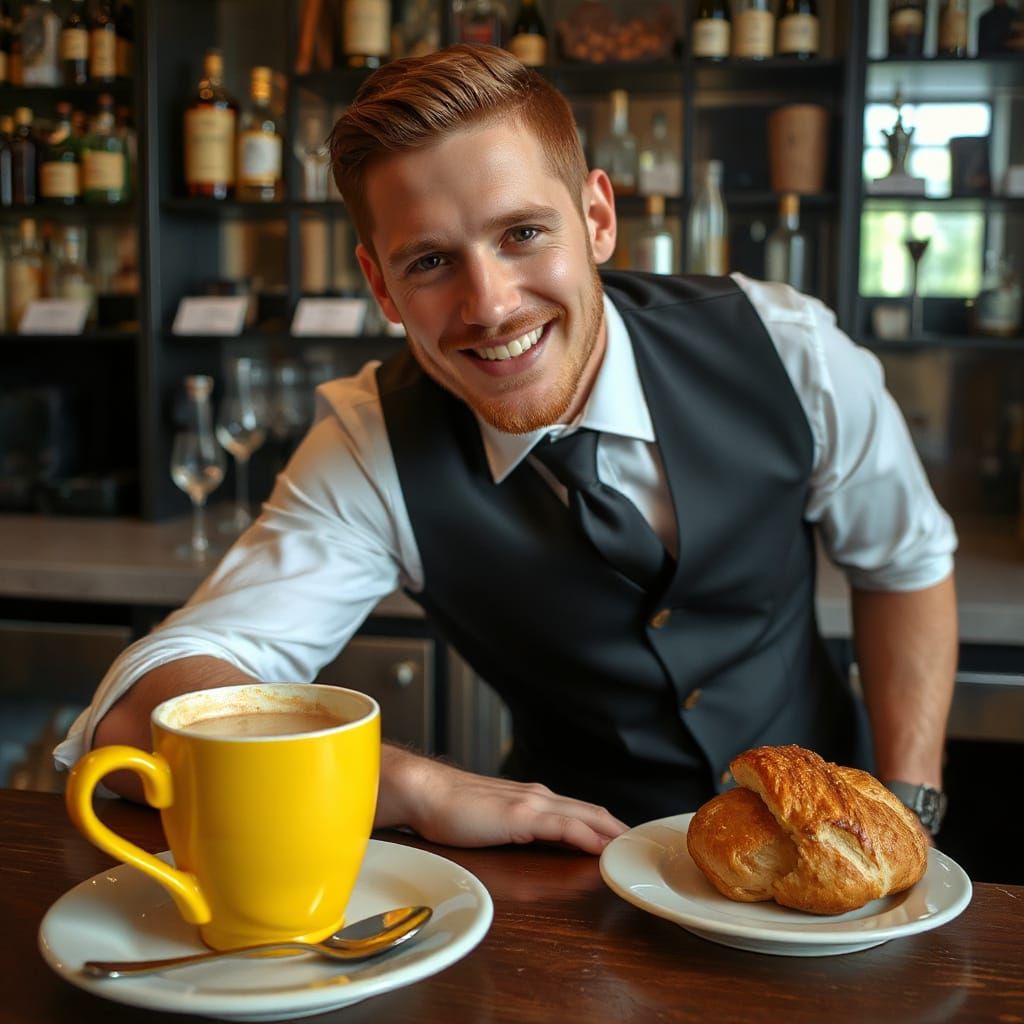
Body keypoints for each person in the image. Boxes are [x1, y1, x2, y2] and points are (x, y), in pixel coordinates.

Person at [55, 45, 957, 852]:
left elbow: (907, 562)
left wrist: (909, 802)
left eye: (523, 233)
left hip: (830, 841)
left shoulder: (789, 348)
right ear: (381, 285)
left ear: (597, 219)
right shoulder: (370, 449)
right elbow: (146, 709)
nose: (489, 305)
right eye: (431, 262)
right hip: (573, 876)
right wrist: (407, 782)